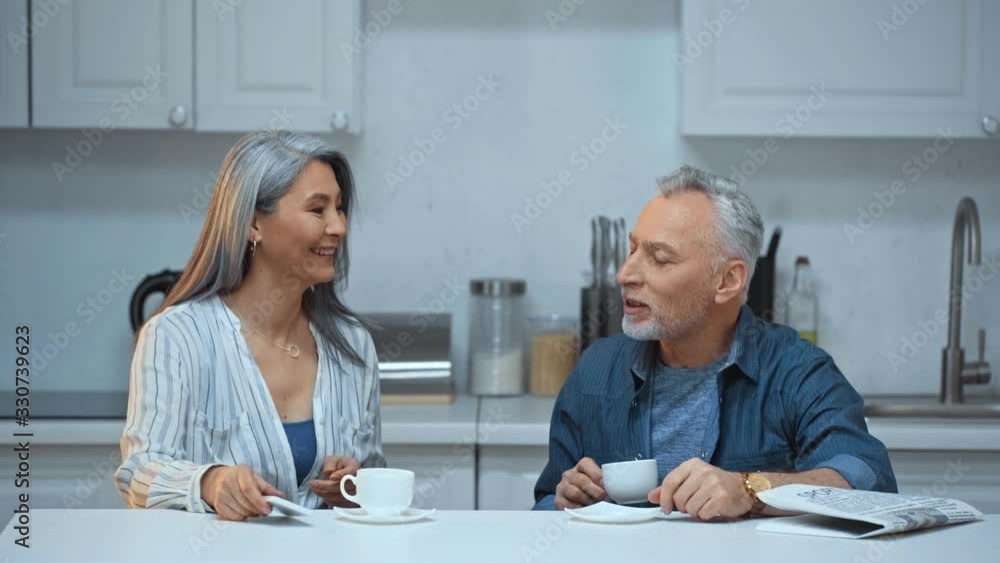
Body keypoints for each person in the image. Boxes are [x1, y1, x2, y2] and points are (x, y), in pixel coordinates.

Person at [533, 165, 896, 518]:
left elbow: (868, 479)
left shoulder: (797, 371)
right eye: (632, 250)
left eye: (659, 258)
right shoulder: (596, 369)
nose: (625, 274)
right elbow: (546, 504)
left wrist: (751, 490)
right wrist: (565, 503)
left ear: (727, 281)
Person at [114, 130, 385, 521]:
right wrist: (211, 482)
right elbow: (139, 473)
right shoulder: (176, 337)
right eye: (317, 209)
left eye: (339, 209)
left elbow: (376, 483)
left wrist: (358, 487)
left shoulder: (354, 345)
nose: (338, 226)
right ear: (253, 223)